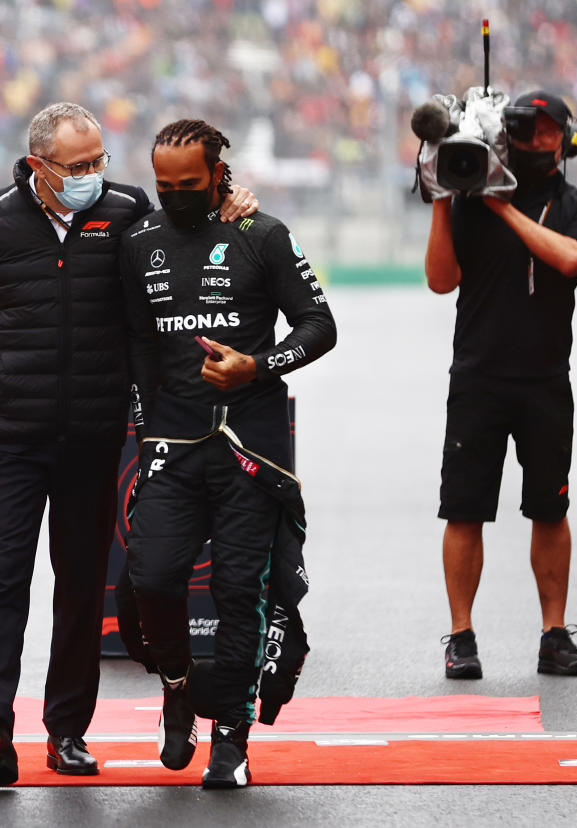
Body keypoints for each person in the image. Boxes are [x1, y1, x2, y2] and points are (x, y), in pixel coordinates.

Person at [0, 102, 258, 786]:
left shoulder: (128, 211)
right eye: (79, 166)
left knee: (78, 588)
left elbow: (178, 265)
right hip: (9, 439)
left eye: (100, 159)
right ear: (38, 166)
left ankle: (66, 732)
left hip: (95, 439)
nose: (94, 175)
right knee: (5, 580)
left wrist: (230, 209)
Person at [120, 119, 336, 789]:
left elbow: (320, 326)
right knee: (151, 576)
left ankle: (232, 742)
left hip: (252, 450)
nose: (176, 196)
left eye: (189, 185)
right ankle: (179, 690)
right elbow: (134, 346)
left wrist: (257, 367)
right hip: (172, 447)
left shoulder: (260, 235)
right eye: (164, 185)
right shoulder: (139, 243)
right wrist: (144, 419)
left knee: (242, 594)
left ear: (219, 174)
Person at [423, 90, 577, 680]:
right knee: (464, 510)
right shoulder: (467, 203)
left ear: (568, 139)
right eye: (525, 130)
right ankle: (460, 636)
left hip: (546, 380)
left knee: (550, 509)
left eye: (549, 130)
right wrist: (440, 199)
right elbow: (439, 280)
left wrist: (501, 206)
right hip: (477, 378)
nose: (537, 140)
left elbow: (569, 258)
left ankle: (554, 635)